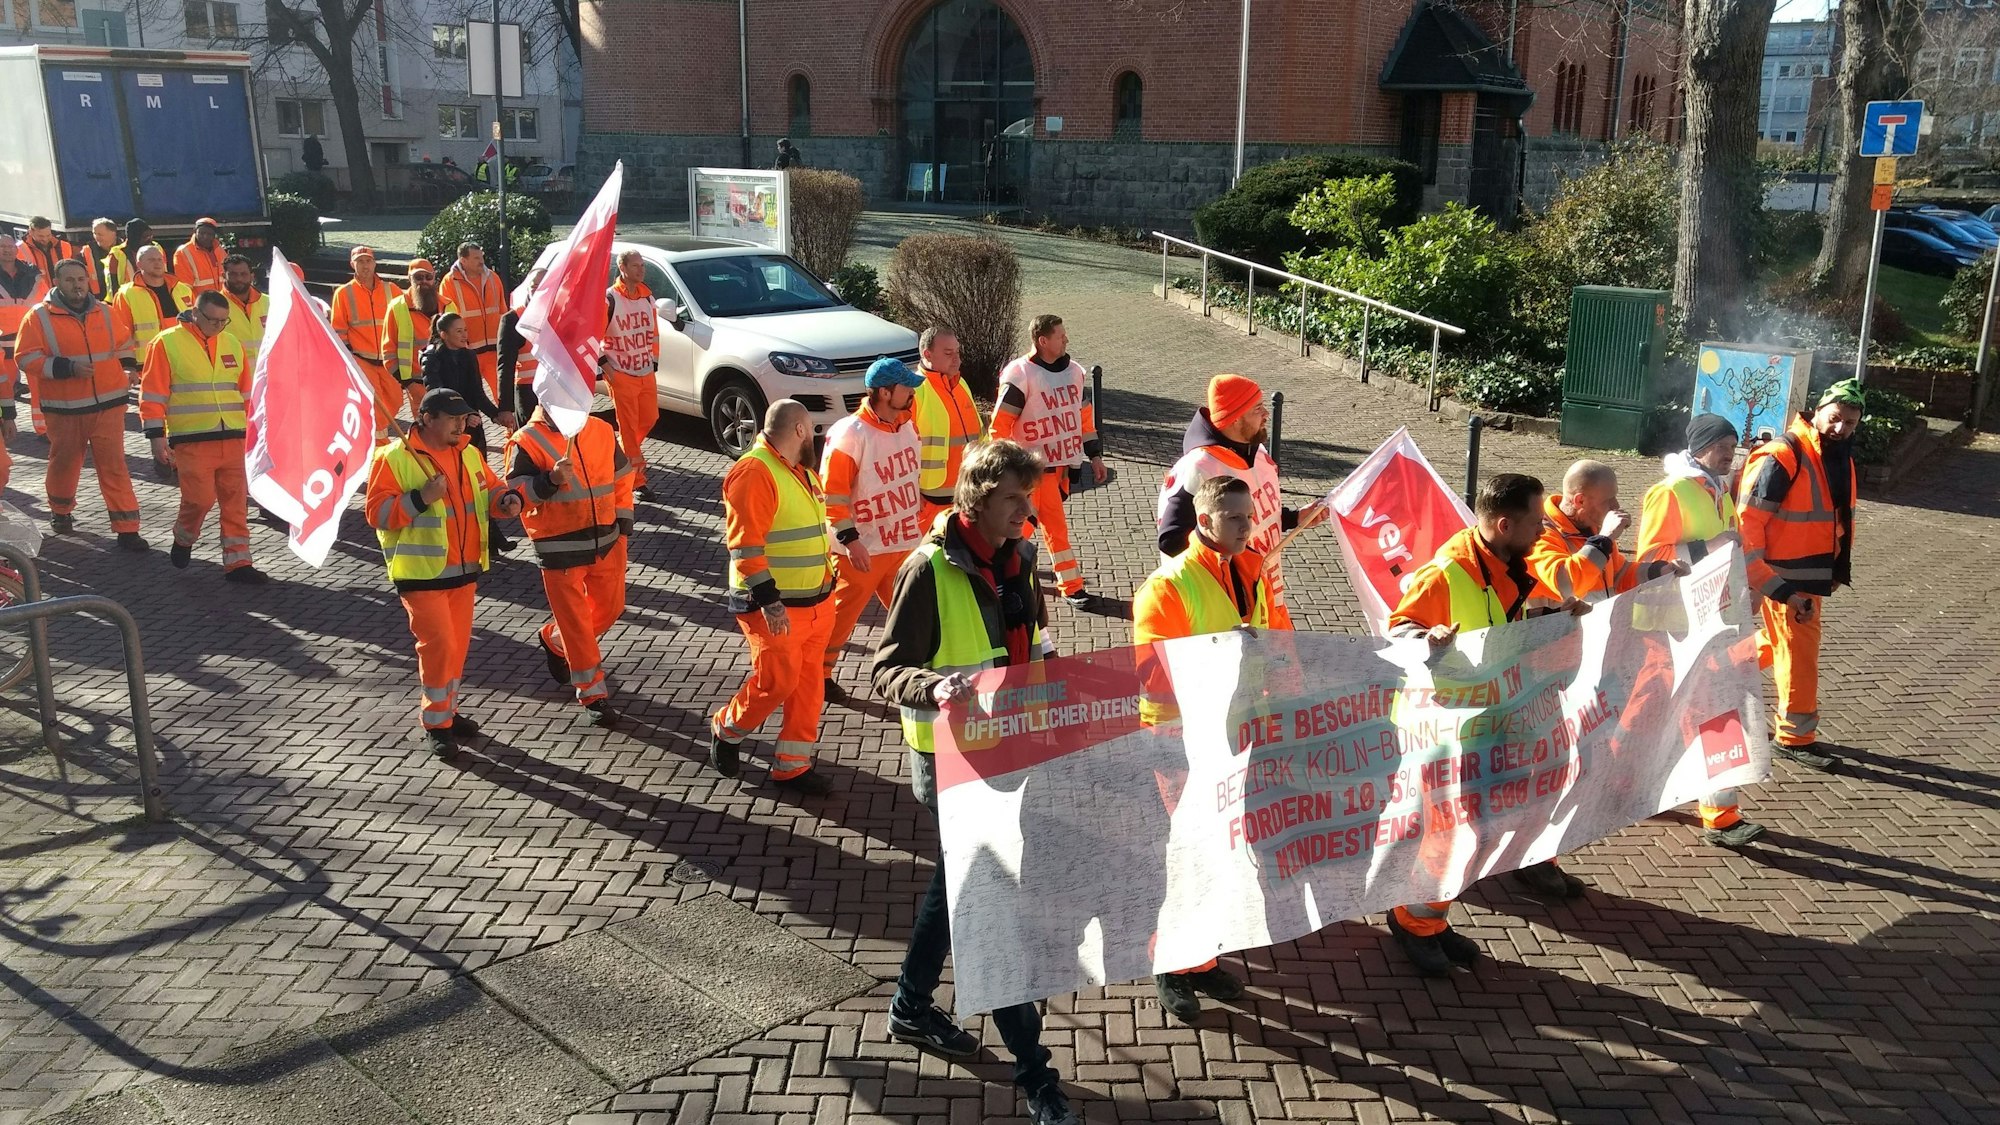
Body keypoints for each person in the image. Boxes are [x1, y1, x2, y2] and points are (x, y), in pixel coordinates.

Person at [870, 438, 1077, 1125]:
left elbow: (1034, 648)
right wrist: (937, 685)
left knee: (954, 885)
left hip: (1009, 748)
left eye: (1030, 496)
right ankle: (1036, 1074)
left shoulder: (1019, 559)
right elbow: (887, 667)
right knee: (987, 901)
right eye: (1015, 497)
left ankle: (910, 1003)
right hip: (951, 759)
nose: (1027, 509)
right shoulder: (926, 570)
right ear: (979, 496)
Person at [1384, 473, 1581, 976]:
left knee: (1475, 827)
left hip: (1485, 718)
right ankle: (1413, 921)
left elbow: (1514, 621)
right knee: (1448, 833)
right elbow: (1398, 634)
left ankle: (1432, 916)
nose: (1544, 530)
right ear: (1503, 524)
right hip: (1443, 729)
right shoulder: (1448, 574)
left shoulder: (1507, 563)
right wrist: (1429, 639)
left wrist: (1562, 615)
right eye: (1537, 521)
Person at [1133, 475, 1274, 1023]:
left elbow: (1273, 638)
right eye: (1235, 518)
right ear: (1205, 522)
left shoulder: (1251, 569)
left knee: (1222, 849)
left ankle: (1201, 956)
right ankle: (1172, 961)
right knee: (1192, 852)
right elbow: (1151, 675)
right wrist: (1224, 656)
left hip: (1236, 731)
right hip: (1179, 738)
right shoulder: (1168, 587)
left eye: (1249, 517)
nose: (1247, 526)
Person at [366, 388, 525, 757]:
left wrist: (507, 500)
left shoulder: (468, 454)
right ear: (426, 418)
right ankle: (436, 723)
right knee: (439, 649)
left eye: (463, 418)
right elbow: (377, 515)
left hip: (463, 572)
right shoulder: (394, 457)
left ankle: (446, 713)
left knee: (456, 650)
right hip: (421, 575)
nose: (461, 424)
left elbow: (490, 491)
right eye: (452, 419)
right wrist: (421, 498)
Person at [1634, 412, 1764, 847]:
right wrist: (1711, 545)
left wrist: (1745, 592)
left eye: (1733, 447)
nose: (1731, 455)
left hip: (1709, 620)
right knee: (1706, 710)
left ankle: (1637, 788)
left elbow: (1727, 550)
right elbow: (1650, 554)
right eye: (1723, 447)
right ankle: (1719, 815)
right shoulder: (1670, 491)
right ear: (1701, 447)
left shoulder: (1717, 490)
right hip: (1673, 623)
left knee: (1673, 710)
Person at [711, 399, 837, 797]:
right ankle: (727, 729)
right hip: (776, 607)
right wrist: (770, 602)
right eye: (811, 428)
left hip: (815, 602)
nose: (813, 435)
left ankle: (792, 766)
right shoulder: (754, 471)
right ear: (799, 430)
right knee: (777, 682)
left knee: (808, 686)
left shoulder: (800, 473)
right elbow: (745, 547)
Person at [1739, 381, 1864, 775]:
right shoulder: (1785, 454)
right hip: (1786, 581)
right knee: (1799, 653)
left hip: (1809, 574)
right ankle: (1793, 738)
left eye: (1850, 423)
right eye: (1834, 418)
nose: (1840, 428)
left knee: (1784, 645)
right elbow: (1748, 522)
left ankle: (1716, 665)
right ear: (1818, 409)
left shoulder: (1836, 455)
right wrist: (1760, 580)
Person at [1156, 373, 1328, 628]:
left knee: (1286, 664)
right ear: (1235, 418)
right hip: (1235, 607)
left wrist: (1294, 518)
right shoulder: (1200, 467)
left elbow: (1255, 512)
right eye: (1257, 408)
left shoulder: (1257, 453)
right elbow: (1172, 540)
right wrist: (1233, 572)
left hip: (1268, 593)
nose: (1266, 414)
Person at [506, 406, 635, 723]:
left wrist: (623, 525)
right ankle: (592, 693)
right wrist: (549, 480)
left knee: (611, 607)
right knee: (576, 625)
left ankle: (555, 639)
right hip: (558, 549)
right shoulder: (526, 440)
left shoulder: (600, 430)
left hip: (607, 540)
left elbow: (621, 479)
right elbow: (514, 495)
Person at [13, 260, 145, 546]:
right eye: (70, 280)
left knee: (114, 466)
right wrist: (66, 368)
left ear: (88, 281)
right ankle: (60, 511)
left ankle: (127, 529)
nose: (77, 285)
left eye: (81, 279)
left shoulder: (106, 312)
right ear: (57, 283)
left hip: (109, 404)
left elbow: (123, 344)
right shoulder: (38, 317)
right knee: (65, 463)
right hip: (65, 408)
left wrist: (128, 368)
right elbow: (25, 358)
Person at [138, 291, 267, 581]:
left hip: (233, 435)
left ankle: (239, 563)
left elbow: (247, 392)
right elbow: (153, 394)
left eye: (224, 321)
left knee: (235, 501)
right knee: (199, 499)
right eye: (213, 320)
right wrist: (156, 436)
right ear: (194, 313)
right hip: (192, 438)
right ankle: (184, 537)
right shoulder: (167, 343)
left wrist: (258, 431)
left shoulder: (231, 342)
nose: (219, 326)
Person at [819, 356, 926, 700]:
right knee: (840, 619)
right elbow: (832, 494)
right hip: (862, 549)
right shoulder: (849, 434)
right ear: (884, 392)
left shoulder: (907, 424)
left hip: (901, 543)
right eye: (905, 387)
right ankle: (817, 676)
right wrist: (851, 541)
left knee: (911, 612)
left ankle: (916, 667)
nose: (911, 392)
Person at [988, 314, 1104, 606]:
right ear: (1043, 341)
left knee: (1032, 528)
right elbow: (999, 426)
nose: (1066, 339)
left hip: (1056, 471)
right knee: (1035, 528)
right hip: (1029, 472)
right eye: (1060, 335)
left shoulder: (1075, 372)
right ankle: (1066, 586)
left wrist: (1096, 456)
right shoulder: (1021, 374)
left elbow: (1084, 420)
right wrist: (1003, 468)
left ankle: (998, 577)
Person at [421, 311, 518, 551]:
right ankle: (471, 538)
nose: (465, 335)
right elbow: (436, 395)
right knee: (454, 483)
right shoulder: (431, 358)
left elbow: (477, 392)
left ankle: (491, 536)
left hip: (471, 427)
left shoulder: (468, 356)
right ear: (443, 335)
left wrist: (496, 414)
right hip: (444, 430)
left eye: (465, 330)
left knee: (479, 480)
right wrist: (463, 415)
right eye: (459, 331)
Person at [1527, 460, 1638, 609]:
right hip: (1551, 630)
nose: (1616, 505)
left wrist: (1659, 570)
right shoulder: (1539, 535)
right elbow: (1568, 586)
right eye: (1608, 500)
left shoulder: (1595, 528)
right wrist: (1604, 539)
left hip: (1591, 630)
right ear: (1580, 500)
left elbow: (1618, 574)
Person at [602, 249, 660, 500]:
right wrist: (605, 366)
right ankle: (636, 482)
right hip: (621, 372)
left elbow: (654, 332)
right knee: (628, 427)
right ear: (622, 268)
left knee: (650, 418)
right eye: (635, 266)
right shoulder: (610, 299)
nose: (641, 270)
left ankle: (616, 454)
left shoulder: (648, 297)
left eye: (642, 265)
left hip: (645, 370)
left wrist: (654, 361)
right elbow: (593, 336)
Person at [332, 246, 405, 442]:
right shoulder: (343, 293)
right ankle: (380, 449)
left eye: (368, 261)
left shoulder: (393, 290)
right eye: (360, 261)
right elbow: (338, 329)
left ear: (375, 263)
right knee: (378, 407)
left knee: (396, 400)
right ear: (352, 264)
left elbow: (404, 322)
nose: (365, 265)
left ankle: (372, 434)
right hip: (363, 361)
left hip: (389, 360)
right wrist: (350, 359)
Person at [911, 326, 981, 519]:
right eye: (948, 353)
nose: (956, 359)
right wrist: (912, 493)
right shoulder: (915, 391)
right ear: (928, 354)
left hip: (969, 491)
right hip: (932, 498)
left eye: (958, 352)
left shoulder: (961, 384)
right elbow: (901, 447)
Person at [383, 259, 454, 417]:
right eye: (418, 277)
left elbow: (461, 343)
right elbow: (388, 353)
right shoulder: (397, 308)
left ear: (434, 277)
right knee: (425, 431)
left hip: (447, 381)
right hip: (417, 384)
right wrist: (408, 385)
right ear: (410, 279)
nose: (424, 282)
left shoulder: (449, 305)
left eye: (428, 277)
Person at [439, 242, 506, 399]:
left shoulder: (493, 278)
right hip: (467, 351)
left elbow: (503, 311)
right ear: (463, 260)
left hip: (493, 350)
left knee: (503, 396)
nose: (481, 261)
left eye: (481, 257)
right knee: (468, 396)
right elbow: (447, 317)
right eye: (476, 258)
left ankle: (510, 424)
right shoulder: (449, 282)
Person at [0, 234, 38, 493]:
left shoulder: (33, 274)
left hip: (31, 337)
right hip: (2, 341)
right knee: (5, 385)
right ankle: (8, 422)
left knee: (40, 387)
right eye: (1, 247)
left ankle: (45, 428)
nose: (6, 251)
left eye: (9, 246)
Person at [112, 245, 193, 352]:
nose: (157, 262)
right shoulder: (126, 294)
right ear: (139, 264)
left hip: (183, 357)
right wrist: (128, 363)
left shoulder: (183, 290)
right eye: (151, 260)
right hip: (146, 361)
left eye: (160, 259)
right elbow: (122, 335)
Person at [498, 267, 545, 419]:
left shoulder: (561, 315)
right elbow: (505, 365)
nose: (537, 291)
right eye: (533, 286)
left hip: (555, 390)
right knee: (531, 440)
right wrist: (505, 407)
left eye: (543, 286)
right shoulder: (513, 318)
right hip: (527, 391)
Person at [218, 254, 269, 367]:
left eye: (243, 274)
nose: (239, 279)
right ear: (223, 276)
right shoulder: (214, 306)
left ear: (252, 276)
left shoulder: (269, 303)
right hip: (233, 376)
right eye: (233, 274)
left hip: (267, 376)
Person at [17, 218, 72, 298]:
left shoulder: (64, 246)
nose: (45, 239)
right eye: (40, 236)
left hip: (62, 295)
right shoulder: (20, 249)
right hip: (37, 297)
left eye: (48, 235)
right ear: (30, 232)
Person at [172, 218, 228, 297]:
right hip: (199, 304)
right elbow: (184, 286)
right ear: (195, 231)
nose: (205, 237)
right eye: (201, 233)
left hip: (221, 302)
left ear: (214, 235)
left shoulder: (220, 251)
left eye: (209, 234)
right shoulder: (183, 252)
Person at [103, 218, 155, 296]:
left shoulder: (156, 248)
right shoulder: (117, 254)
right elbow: (113, 284)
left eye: (151, 236)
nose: (149, 240)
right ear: (135, 237)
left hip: (152, 295)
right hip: (128, 297)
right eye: (145, 237)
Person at [83, 219, 117, 300]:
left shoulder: (125, 250)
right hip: (98, 299)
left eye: (100, 234)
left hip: (122, 297)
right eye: (94, 234)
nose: (97, 237)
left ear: (113, 233)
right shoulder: (87, 252)